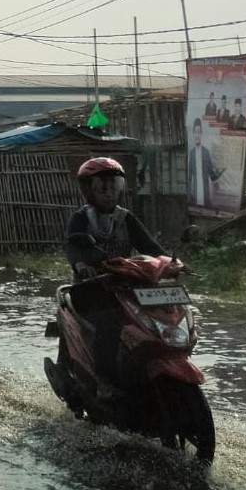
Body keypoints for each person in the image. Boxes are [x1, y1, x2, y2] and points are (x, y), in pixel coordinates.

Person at [64, 157, 168, 400]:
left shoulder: (126, 218)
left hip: (127, 286)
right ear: (89, 190)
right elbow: (72, 244)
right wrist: (81, 264)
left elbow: (150, 246)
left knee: (156, 317)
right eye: (102, 187)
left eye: (113, 186)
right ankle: (105, 380)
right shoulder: (81, 218)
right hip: (90, 288)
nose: (108, 192)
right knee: (110, 321)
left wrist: (170, 263)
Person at [187, 117, 225, 208]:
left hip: (205, 196)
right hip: (195, 196)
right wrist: (190, 194)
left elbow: (212, 177)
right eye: (195, 132)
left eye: (199, 132)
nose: (197, 135)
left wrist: (221, 170)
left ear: (201, 134)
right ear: (193, 134)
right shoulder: (191, 154)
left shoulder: (206, 152)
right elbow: (189, 177)